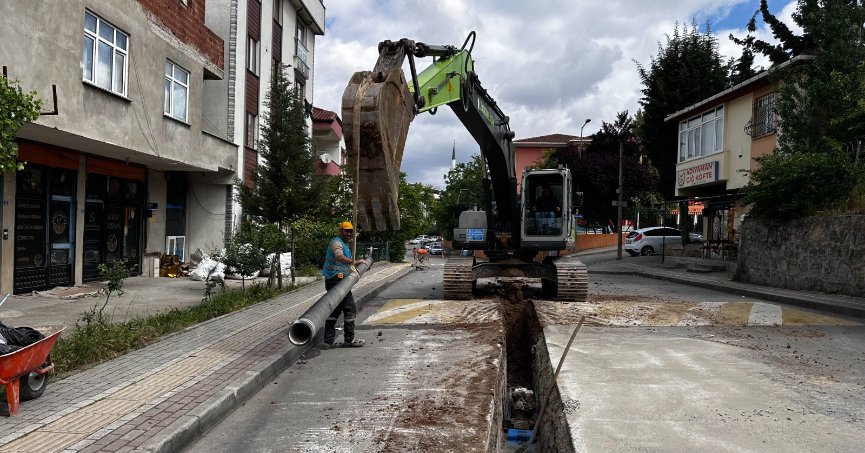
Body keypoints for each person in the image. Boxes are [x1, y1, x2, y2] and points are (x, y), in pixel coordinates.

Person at [321, 221, 366, 349]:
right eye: (346, 231)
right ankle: (349, 340)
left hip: (334, 280)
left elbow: (342, 264)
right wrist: (355, 262)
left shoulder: (343, 244)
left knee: (334, 310)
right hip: (336, 280)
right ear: (340, 231)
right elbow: (339, 257)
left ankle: (328, 341)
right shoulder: (337, 243)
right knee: (350, 308)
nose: (349, 233)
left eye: (350, 231)